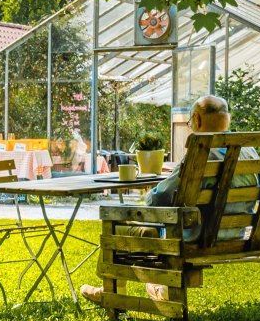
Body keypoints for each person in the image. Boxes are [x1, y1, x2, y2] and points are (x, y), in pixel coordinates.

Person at [80, 94, 249, 307]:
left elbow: (158, 199)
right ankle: (156, 288)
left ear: (196, 120)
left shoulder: (201, 153)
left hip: (196, 239)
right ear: (228, 119)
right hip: (236, 235)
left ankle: (113, 292)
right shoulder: (249, 151)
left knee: (116, 223)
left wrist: (155, 190)